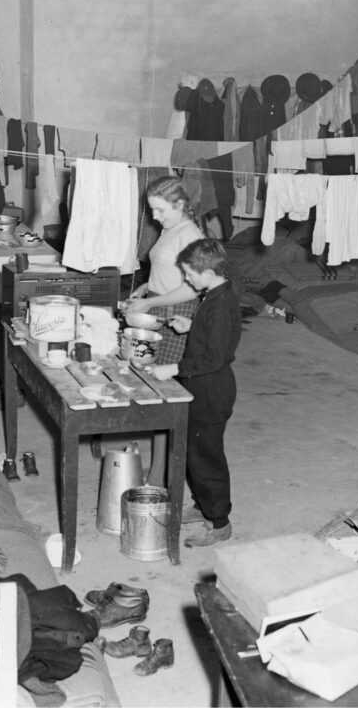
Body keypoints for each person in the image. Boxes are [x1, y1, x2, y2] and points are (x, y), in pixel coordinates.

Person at [149, 238, 242, 548]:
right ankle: (203, 505)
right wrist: (193, 324)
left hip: (211, 388)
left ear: (207, 271)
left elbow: (214, 357)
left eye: (189, 274)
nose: (187, 280)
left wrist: (172, 369)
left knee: (206, 457)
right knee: (193, 451)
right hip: (203, 385)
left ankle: (219, 522)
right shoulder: (215, 295)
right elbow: (215, 334)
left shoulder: (221, 303)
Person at [126, 175, 205, 486]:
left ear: (180, 205)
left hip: (177, 313)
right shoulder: (169, 228)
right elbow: (164, 269)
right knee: (150, 383)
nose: (154, 217)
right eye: (152, 210)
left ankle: (161, 474)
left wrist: (151, 303)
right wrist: (145, 289)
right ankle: (157, 466)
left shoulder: (191, 236)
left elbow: (191, 289)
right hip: (159, 305)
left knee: (165, 394)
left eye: (160, 210)